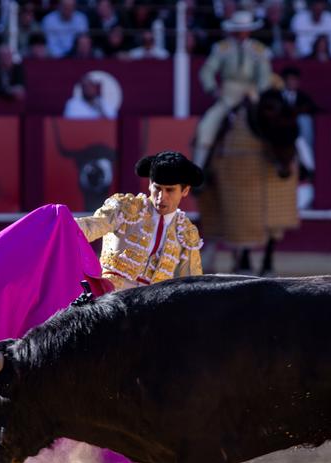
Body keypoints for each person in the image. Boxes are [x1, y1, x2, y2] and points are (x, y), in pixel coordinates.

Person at [73, 151, 204, 292]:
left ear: (185, 191)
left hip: (153, 307)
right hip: (110, 300)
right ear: (149, 184)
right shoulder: (125, 208)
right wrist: (60, 223)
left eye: (170, 190)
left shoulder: (185, 232)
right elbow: (90, 226)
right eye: (157, 188)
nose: (161, 197)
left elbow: (192, 283)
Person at [193, 10, 272, 169]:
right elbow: (207, 71)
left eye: (245, 29)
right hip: (228, 94)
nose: (242, 33)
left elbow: (265, 76)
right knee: (207, 126)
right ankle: (198, 171)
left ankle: (300, 165)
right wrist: (213, 89)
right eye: (239, 30)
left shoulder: (259, 50)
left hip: (252, 94)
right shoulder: (222, 48)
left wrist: (260, 92)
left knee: (277, 123)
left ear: (249, 30)